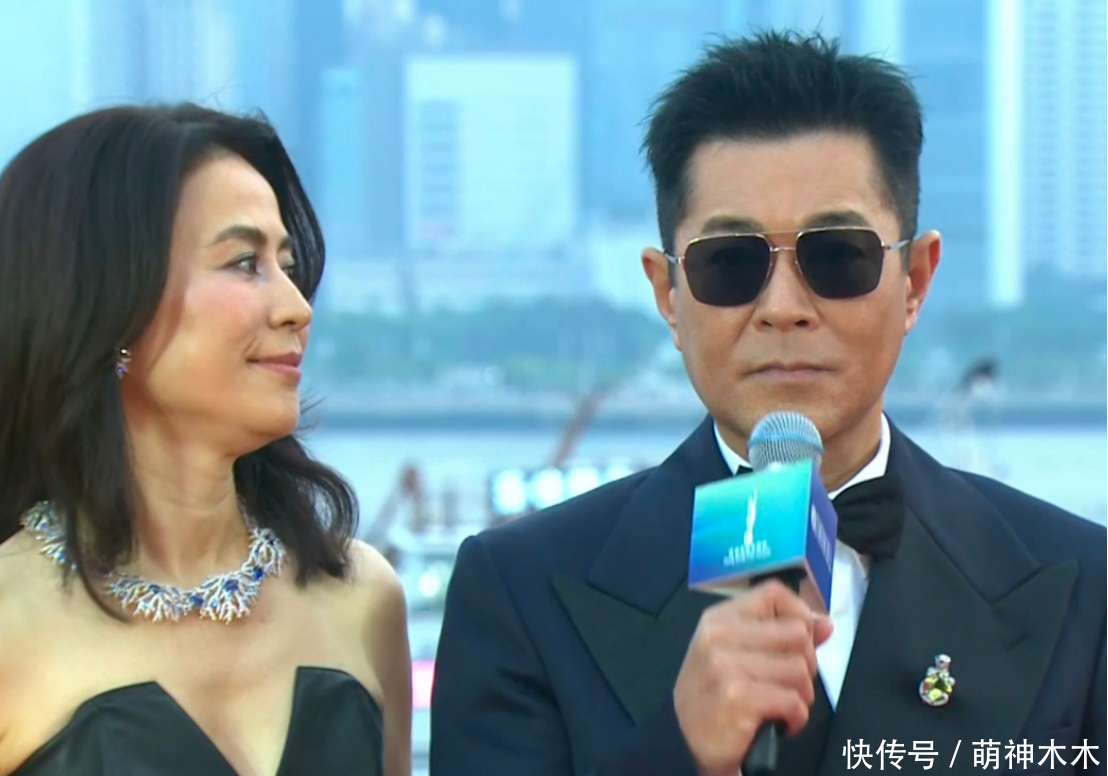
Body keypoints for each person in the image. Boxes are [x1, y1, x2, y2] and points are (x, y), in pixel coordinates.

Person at [429, 31, 1107, 776]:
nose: (783, 308)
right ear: (667, 293)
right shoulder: (521, 592)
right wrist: (680, 749)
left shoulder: (1082, 583)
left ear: (915, 280)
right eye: (730, 263)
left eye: (837, 256)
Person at [0, 104, 412, 776]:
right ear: (110, 306)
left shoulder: (362, 597)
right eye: (244, 262)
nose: (297, 307)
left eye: (287, 263)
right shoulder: (10, 621)